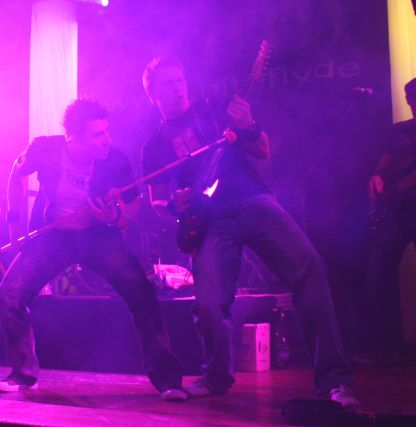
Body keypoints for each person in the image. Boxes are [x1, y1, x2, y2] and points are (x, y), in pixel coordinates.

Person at [141, 57, 359, 407]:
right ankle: (215, 377)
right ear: (152, 94)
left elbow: (262, 150)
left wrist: (250, 125)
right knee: (209, 303)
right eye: (168, 83)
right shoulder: (153, 146)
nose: (178, 87)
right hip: (209, 221)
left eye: (180, 79)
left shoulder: (213, 110)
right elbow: (156, 202)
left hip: (253, 201)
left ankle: (335, 380)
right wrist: (173, 204)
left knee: (310, 267)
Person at [0, 99, 185, 401]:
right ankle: (23, 372)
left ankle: (169, 380)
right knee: (9, 297)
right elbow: (15, 174)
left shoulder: (116, 160)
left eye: (107, 131)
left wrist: (116, 216)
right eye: (97, 135)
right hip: (54, 237)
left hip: (99, 237)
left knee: (142, 294)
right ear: (73, 137)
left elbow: (134, 204)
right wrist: (14, 224)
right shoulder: (45, 149)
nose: (107, 140)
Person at [360, 77, 416, 364]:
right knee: (378, 275)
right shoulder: (400, 130)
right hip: (396, 212)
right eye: (412, 97)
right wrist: (376, 176)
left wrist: (400, 189)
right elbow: (384, 161)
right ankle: (381, 346)